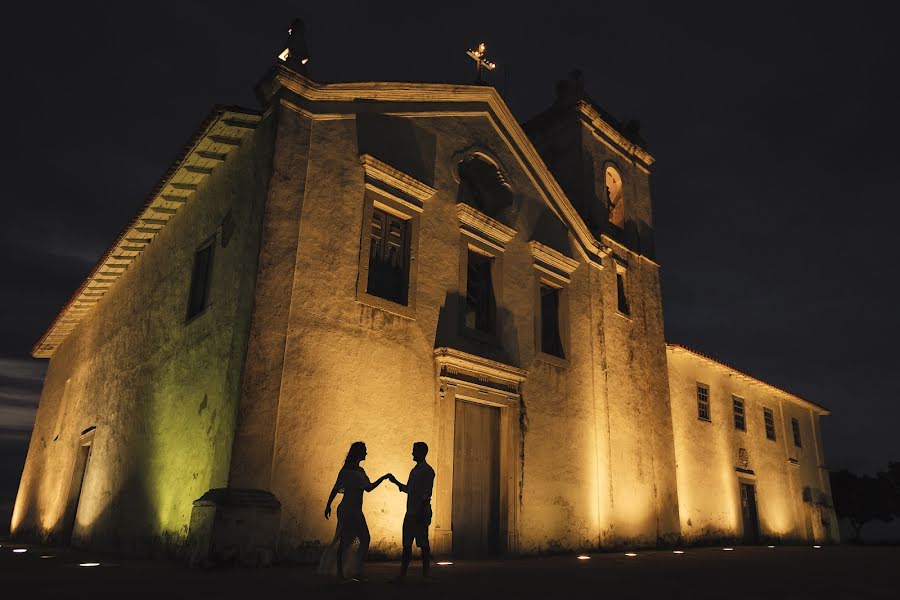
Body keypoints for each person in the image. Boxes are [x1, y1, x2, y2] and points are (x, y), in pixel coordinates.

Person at [320, 441, 393, 581]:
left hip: (356, 510)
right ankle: (343, 572)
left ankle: (355, 569)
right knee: (345, 540)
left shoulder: (361, 471)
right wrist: (328, 505)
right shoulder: (346, 470)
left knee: (363, 538)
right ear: (358, 453)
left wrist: (383, 478)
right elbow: (336, 488)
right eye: (364, 450)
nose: (366, 453)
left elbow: (369, 487)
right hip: (347, 509)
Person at [389, 441, 435, 582]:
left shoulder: (427, 471)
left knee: (423, 545)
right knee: (407, 545)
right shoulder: (415, 471)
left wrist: (422, 511)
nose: (412, 453)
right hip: (411, 512)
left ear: (422, 452)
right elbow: (409, 489)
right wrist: (396, 482)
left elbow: (426, 494)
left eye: (414, 450)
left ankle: (425, 575)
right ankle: (404, 575)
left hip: (419, 513)